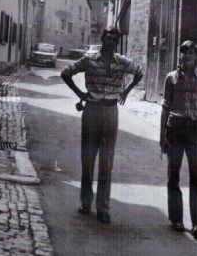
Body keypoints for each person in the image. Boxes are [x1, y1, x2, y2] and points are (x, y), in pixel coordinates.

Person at [61, 26, 144, 224]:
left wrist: (125, 92)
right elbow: (66, 73)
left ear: (117, 42)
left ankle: (103, 209)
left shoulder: (122, 62)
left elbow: (139, 72)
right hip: (91, 109)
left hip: (110, 111)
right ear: (102, 39)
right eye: (108, 38)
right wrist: (80, 94)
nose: (111, 42)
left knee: (107, 161)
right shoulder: (89, 60)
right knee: (88, 158)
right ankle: (86, 202)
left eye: (114, 39)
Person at [160, 40, 197, 241]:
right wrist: (161, 135)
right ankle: (176, 219)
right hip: (174, 130)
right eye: (184, 53)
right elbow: (165, 106)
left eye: (192, 54)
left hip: (194, 131)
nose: (188, 57)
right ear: (180, 55)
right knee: (173, 175)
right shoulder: (171, 78)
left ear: (196, 57)